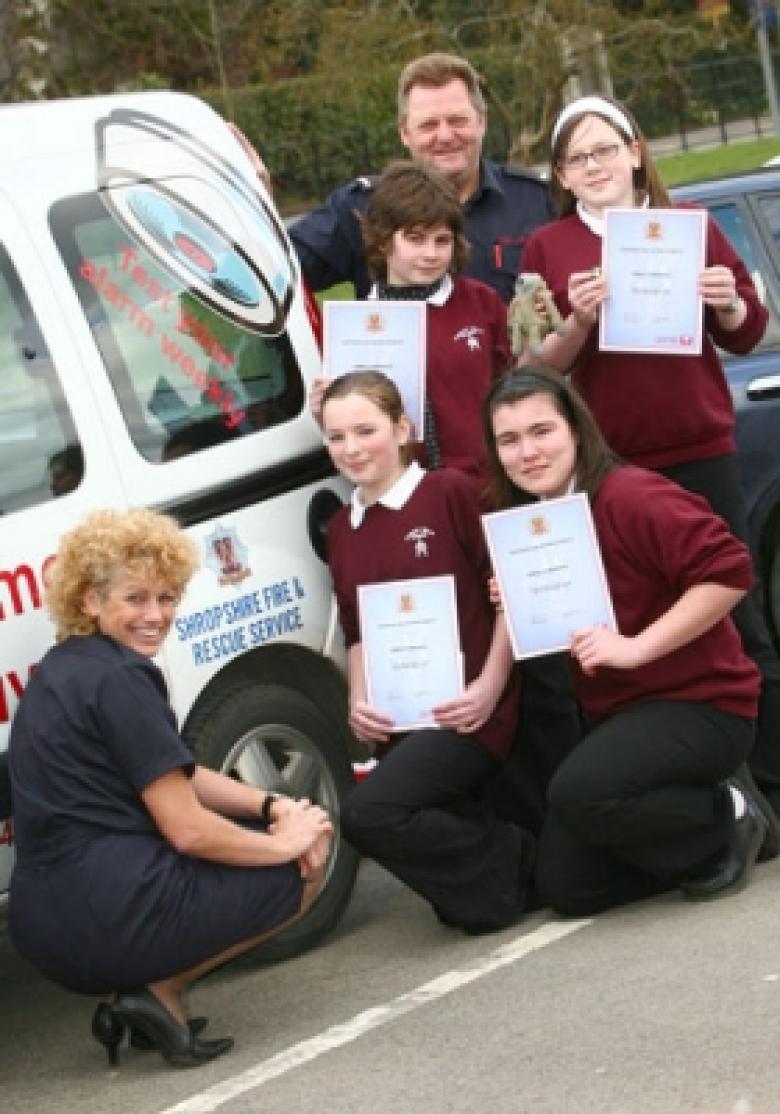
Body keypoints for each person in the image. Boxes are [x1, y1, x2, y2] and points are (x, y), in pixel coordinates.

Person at [519, 92, 780, 823]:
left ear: (635, 152)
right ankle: (683, 791)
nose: (594, 165)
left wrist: (727, 301)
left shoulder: (689, 225)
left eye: (606, 149)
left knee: (740, 619)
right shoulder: (549, 249)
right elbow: (536, 366)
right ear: (561, 175)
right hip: (611, 471)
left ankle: (771, 787)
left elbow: (746, 330)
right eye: (577, 158)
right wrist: (579, 321)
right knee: (631, 626)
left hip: (700, 450)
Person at [8, 508, 332, 1069]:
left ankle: (146, 997)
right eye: (135, 599)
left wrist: (271, 803)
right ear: (91, 600)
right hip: (106, 914)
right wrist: (287, 843)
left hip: (40, 922)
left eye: (166, 598)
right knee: (302, 868)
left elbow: (175, 771)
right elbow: (188, 831)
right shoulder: (123, 678)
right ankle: (158, 993)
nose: (155, 616)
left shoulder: (63, 667)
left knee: (257, 834)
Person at [483, 367, 771, 915]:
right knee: (568, 887)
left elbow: (730, 571)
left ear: (576, 429)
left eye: (542, 431)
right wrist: (519, 598)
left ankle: (727, 814)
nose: (528, 452)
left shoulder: (631, 494)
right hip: (621, 717)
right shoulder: (530, 522)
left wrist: (638, 647)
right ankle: (699, 843)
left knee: (579, 793)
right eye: (509, 440)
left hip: (702, 704)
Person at [321, 370, 535, 933]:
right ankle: (508, 871)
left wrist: (490, 687)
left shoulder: (450, 492)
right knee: (477, 915)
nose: (351, 448)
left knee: (368, 813)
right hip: (403, 721)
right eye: (336, 437)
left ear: (402, 428)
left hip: (470, 712)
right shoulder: (341, 529)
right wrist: (357, 698)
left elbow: (510, 593)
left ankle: (513, 850)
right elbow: (356, 630)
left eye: (365, 430)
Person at [231, 52, 551, 303]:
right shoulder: (360, 208)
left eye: (457, 120)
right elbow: (268, 274)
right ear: (404, 133)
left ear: (481, 122)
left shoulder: (538, 201)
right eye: (428, 125)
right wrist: (256, 204)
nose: (445, 135)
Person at [311, 159, 510, 485]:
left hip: (486, 486)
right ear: (383, 240)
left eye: (442, 240)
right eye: (416, 239)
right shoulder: (354, 329)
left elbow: (513, 385)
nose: (430, 254)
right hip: (405, 492)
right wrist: (325, 409)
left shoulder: (482, 302)